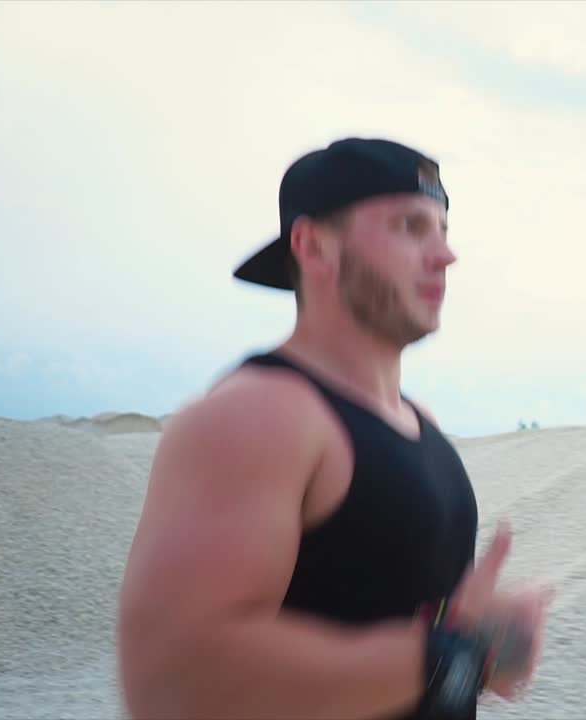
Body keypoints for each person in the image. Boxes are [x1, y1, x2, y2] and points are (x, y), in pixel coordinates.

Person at [115, 137, 554, 719]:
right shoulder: (259, 416)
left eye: (443, 230)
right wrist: (450, 657)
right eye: (410, 226)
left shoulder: (420, 422)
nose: (445, 254)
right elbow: (169, 682)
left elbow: (392, 620)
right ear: (314, 246)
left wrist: (486, 642)